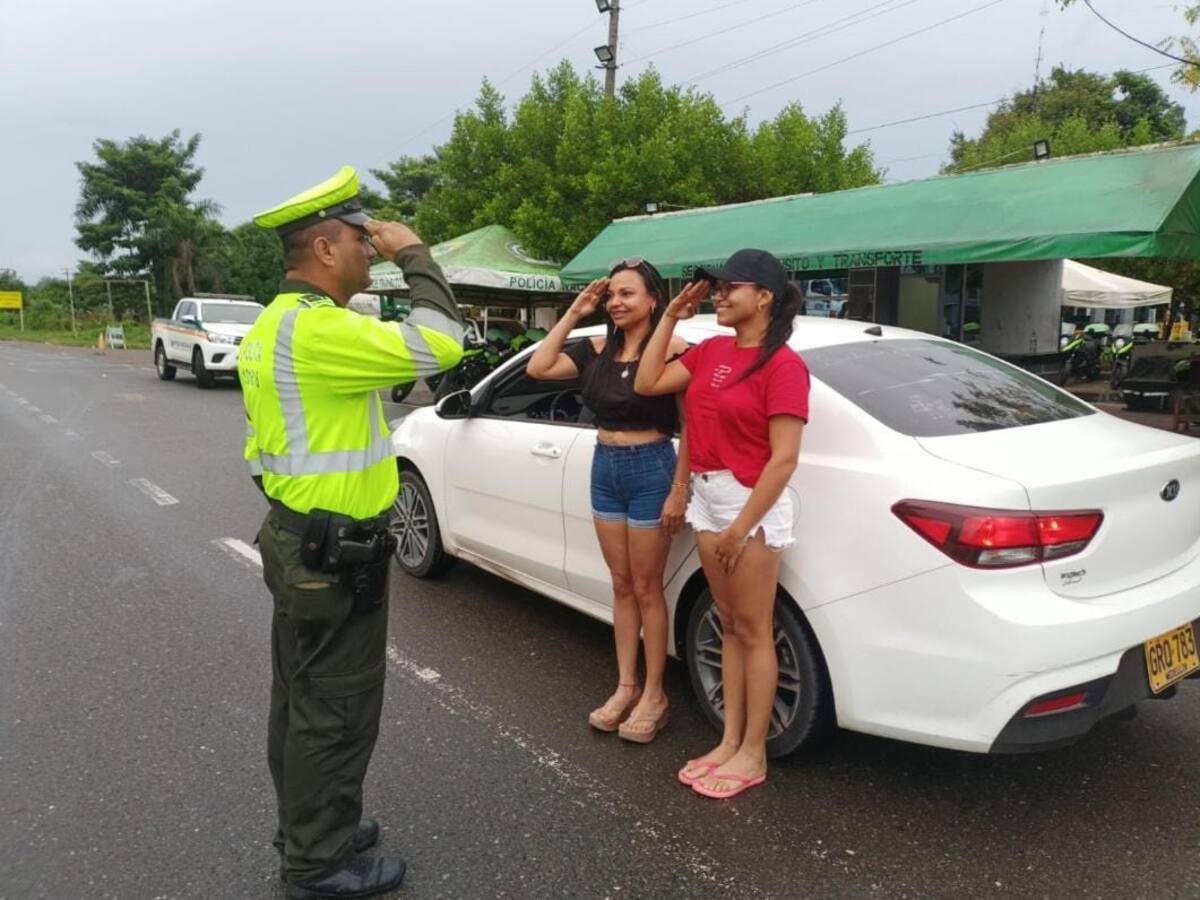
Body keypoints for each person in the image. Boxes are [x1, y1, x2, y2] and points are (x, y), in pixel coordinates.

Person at [239, 166, 465, 899]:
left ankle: (314, 824)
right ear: (327, 247)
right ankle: (317, 863)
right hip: (332, 553)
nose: (372, 252)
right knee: (335, 709)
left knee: (302, 698)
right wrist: (416, 252)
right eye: (362, 241)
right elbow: (442, 345)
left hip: (301, 537)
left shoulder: (277, 323)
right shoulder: (320, 329)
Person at [635, 249, 808, 800]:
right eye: (718, 287)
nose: (719, 295)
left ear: (764, 298)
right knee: (730, 624)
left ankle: (754, 752)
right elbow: (646, 383)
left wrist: (740, 529)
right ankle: (730, 739)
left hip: (749, 504)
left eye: (731, 287)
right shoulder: (711, 350)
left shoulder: (782, 364)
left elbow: (783, 459)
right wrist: (669, 318)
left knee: (755, 630)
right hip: (708, 497)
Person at [525, 259, 702, 743]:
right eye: (611, 296)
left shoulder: (676, 351)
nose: (617, 303)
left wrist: (679, 489)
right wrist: (576, 311)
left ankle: (655, 695)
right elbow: (538, 367)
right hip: (604, 466)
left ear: (652, 300)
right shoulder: (595, 348)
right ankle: (626, 686)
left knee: (648, 587)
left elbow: (690, 429)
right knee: (621, 583)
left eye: (628, 294)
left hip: (652, 468)